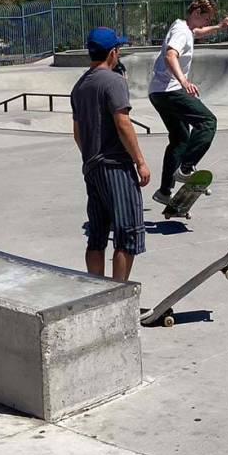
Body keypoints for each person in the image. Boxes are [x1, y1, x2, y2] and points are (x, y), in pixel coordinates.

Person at [71, 27, 151, 282]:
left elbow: (77, 133)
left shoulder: (80, 86)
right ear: (113, 53)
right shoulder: (114, 81)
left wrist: (91, 156)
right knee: (127, 234)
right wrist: (140, 161)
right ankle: (119, 295)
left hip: (91, 167)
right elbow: (122, 122)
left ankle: (96, 291)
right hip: (116, 166)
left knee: (97, 235)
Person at [148, 0, 228, 205]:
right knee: (207, 122)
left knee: (180, 138)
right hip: (170, 90)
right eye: (206, 18)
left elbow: (196, 33)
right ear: (196, 13)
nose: (206, 23)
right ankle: (186, 168)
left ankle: (164, 191)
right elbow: (171, 55)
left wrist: (219, 26)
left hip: (157, 93)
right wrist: (184, 81)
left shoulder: (182, 27)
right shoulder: (181, 32)